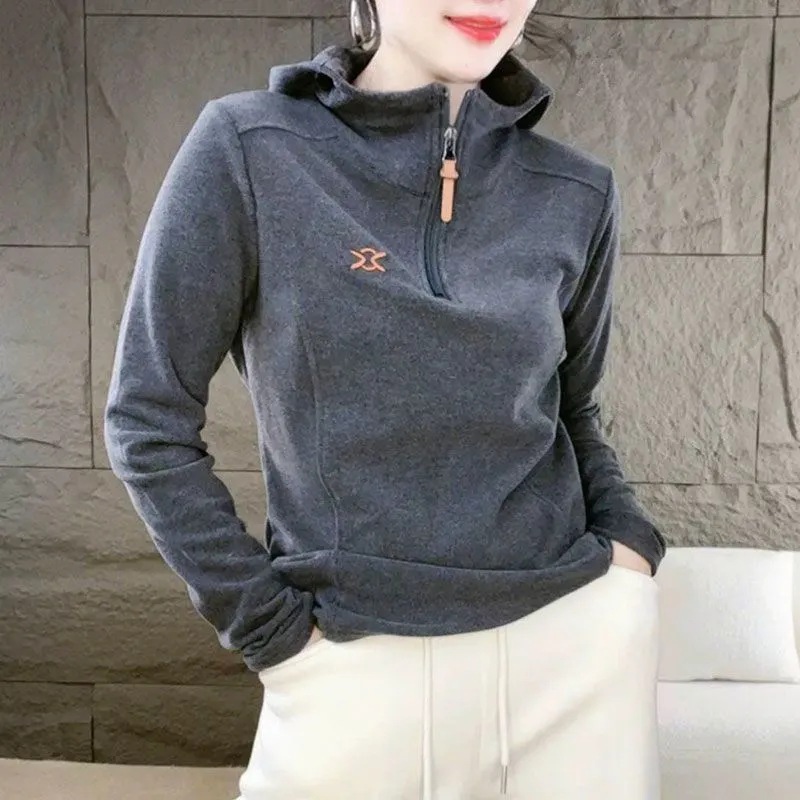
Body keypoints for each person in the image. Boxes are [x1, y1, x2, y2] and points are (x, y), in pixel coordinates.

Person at [104, 0, 668, 797]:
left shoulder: (578, 191)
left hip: (575, 648)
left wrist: (629, 555)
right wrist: (272, 634)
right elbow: (146, 420)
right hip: (348, 665)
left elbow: (574, 408)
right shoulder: (251, 148)